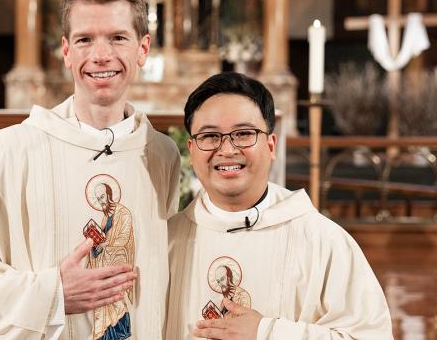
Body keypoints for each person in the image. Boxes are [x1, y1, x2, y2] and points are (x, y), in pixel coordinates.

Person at [0, 0, 180, 339]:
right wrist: (52, 294)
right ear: (66, 51)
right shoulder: (11, 151)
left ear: (143, 49)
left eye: (118, 38)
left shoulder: (161, 155)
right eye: (85, 40)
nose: (101, 55)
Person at [165, 72, 393, 339]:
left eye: (243, 133)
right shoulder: (168, 240)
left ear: (271, 145)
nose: (226, 150)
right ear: (191, 151)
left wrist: (267, 332)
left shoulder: (323, 241)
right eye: (210, 136)